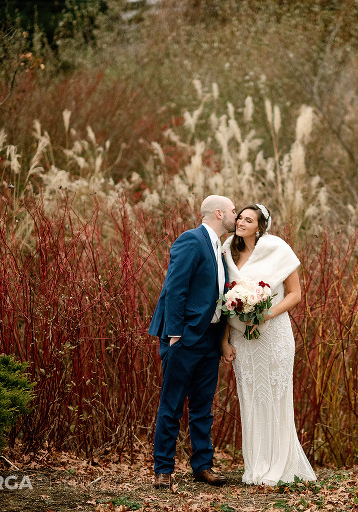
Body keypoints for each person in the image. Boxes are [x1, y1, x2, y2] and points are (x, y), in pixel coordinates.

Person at [220, 204, 316, 486]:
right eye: (239, 218)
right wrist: (224, 340)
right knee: (250, 396)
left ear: (260, 227)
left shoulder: (278, 249)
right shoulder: (228, 251)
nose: (240, 222)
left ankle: (279, 465)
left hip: (273, 333)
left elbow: (295, 294)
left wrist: (265, 313)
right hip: (242, 338)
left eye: (248, 220)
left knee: (275, 395)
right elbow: (226, 299)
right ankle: (256, 466)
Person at [148, 195, 237, 489]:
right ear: (219, 213)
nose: (237, 216)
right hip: (184, 337)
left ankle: (202, 465)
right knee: (172, 404)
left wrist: (222, 339)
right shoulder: (191, 240)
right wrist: (175, 334)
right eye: (234, 211)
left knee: (202, 407)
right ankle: (163, 469)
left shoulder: (221, 249)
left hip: (210, 339)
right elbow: (175, 287)